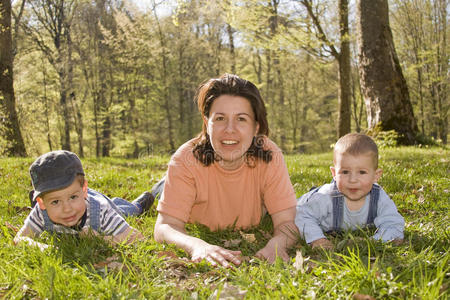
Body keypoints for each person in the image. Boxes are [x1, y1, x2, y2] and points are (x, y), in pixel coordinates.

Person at [153, 73, 298, 267]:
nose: (230, 129)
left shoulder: (269, 154)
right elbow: (164, 227)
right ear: (207, 123)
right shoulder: (184, 160)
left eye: (241, 119)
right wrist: (197, 246)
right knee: (157, 193)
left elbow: (287, 223)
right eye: (220, 118)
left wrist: (276, 245)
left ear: (256, 127)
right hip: (184, 180)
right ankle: (155, 191)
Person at [14, 150, 154, 250]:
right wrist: (43, 247)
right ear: (41, 203)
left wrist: (99, 238)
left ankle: (137, 205)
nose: (67, 209)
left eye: (72, 197)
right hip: (84, 199)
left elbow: (137, 238)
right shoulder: (41, 212)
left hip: (98, 203)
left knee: (123, 212)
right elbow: (19, 239)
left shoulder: (101, 212)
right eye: (55, 202)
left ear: (84, 189)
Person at [295, 133, 404, 249]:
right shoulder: (326, 196)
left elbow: (394, 223)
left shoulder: (378, 197)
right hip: (305, 203)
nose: (352, 180)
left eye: (362, 172)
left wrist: (373, 241)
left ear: (376, 176)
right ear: (334, 174)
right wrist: (317, 239)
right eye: (345, 172)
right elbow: (302, 215)